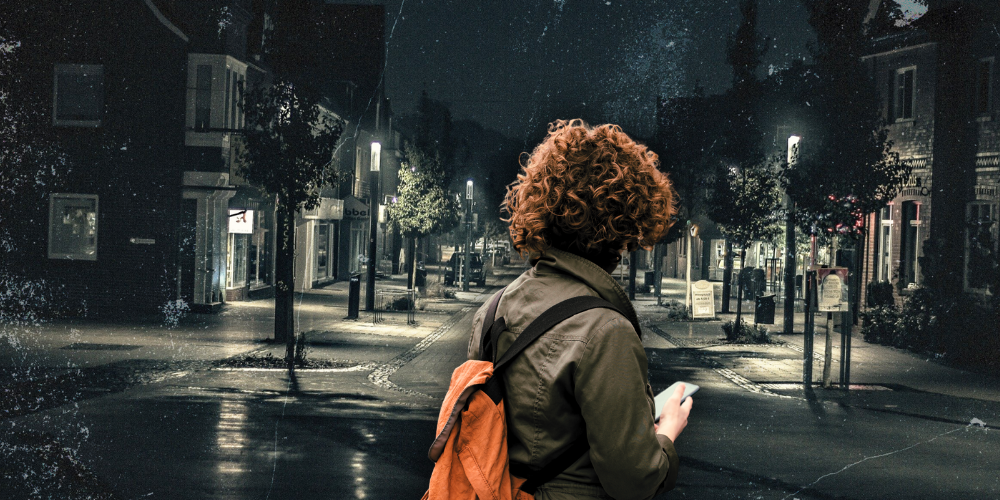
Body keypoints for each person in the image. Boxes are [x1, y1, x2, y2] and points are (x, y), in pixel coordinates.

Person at [468, 119, 692, 500]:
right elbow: (633, 479)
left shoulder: (493, 310)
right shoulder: (606, 330)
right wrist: (667, 432)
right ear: (624, 224)